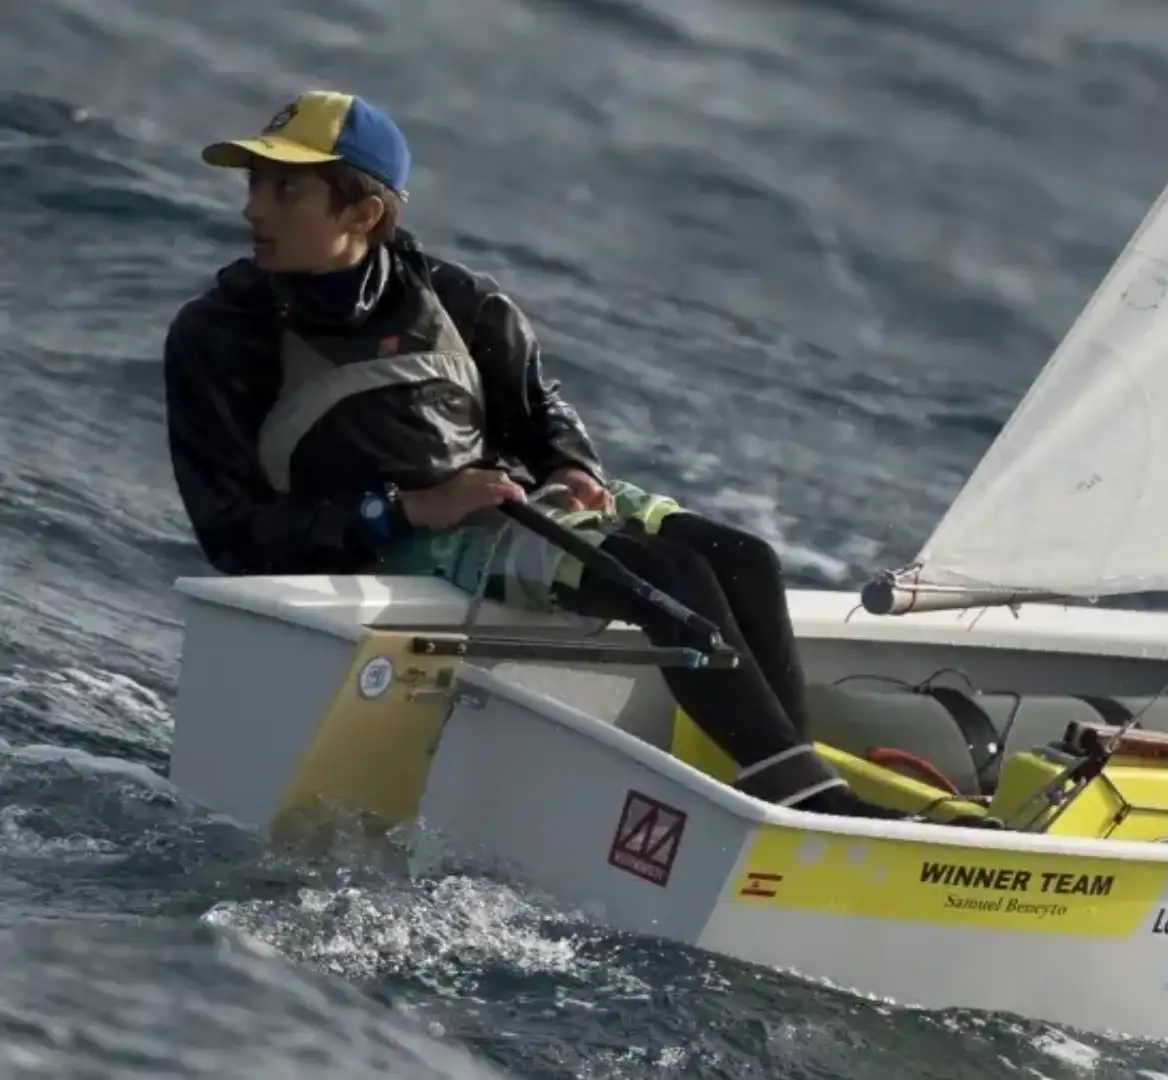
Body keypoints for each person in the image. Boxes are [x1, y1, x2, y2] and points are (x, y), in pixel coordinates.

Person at [162, 89, 927, 823]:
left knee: (744, 559)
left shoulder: (457, 299)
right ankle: (806, 801)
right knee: (665, 578)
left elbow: (541, 412)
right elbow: (232, 534)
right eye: (257, 183)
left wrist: (572, 467)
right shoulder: (219, 337)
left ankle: (782, 782)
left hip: (500, 497)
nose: (252, 209)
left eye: (284, 190)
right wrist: (401, 508)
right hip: (403, 534)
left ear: (364, 212)